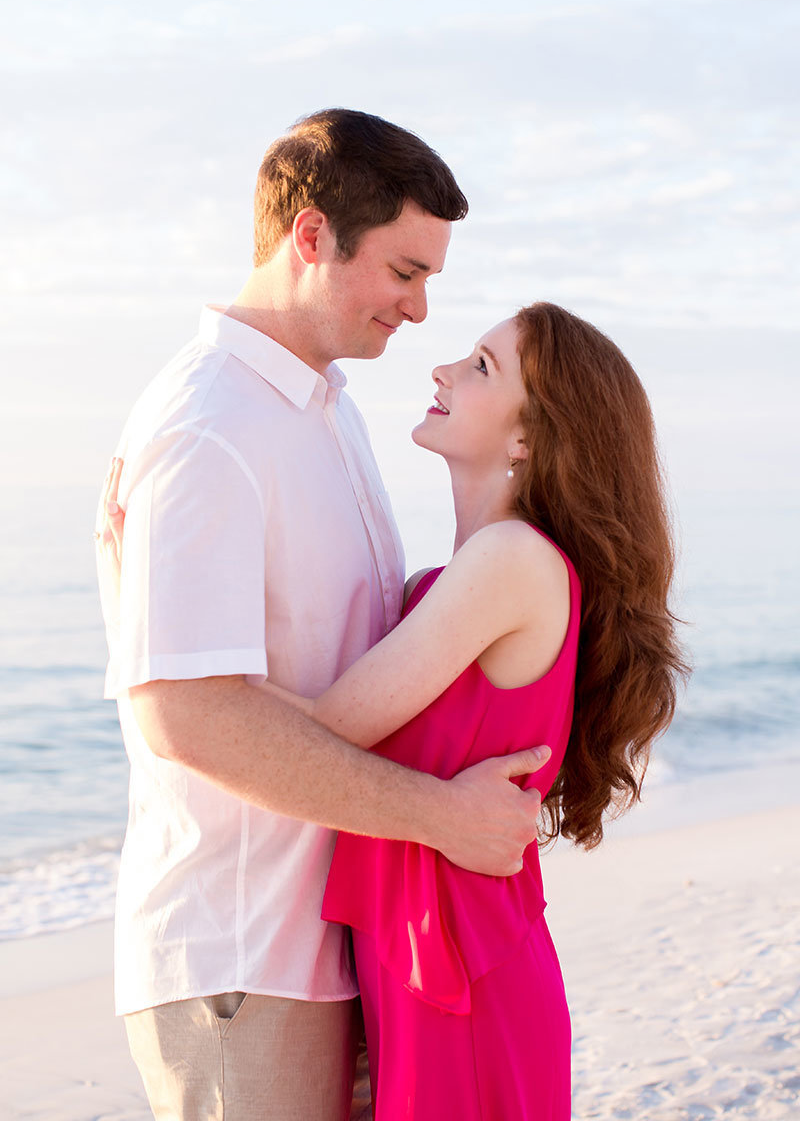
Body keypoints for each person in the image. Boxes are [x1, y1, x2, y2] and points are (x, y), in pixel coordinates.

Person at [101, 302, 687, 1118]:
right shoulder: (442, 586)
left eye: (481, 366)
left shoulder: (511, 561)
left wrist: (161, 622)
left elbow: (328, 729)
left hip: (460, 970)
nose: (442, 370)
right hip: (412, 956)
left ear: (529, 438)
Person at [94, 108, 550, 1121]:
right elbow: (185, 717)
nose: (421, 310)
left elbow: (354, 656)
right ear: (309, 237)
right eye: (402, 272)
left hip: (336, 941)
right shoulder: (209, 427)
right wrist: (443, 818)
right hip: (239, 953)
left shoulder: (325, 404)